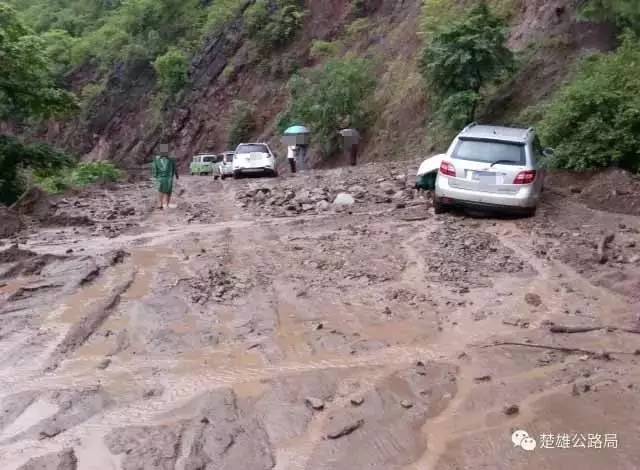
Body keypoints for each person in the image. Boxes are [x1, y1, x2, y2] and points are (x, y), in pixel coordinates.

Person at [152, 144, 179, 209]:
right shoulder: (156, 160)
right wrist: (155, 175)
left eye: (165, 152)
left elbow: (175, 168)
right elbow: (154, 168)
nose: (164, 153)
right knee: (160, 190)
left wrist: (176, 175)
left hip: (169, 177)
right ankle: (161, 204)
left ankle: (167, 204)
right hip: (160, 177)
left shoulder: (171, 160)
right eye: (163, 152)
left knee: (168, 191)